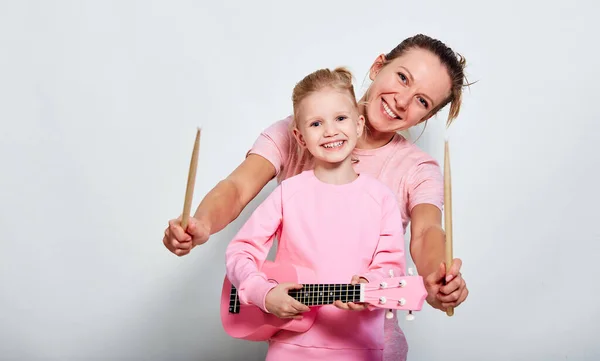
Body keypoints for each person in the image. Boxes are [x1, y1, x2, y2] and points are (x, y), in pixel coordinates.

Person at [163, 33, 470, 360]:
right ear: (379, 65)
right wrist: (201, 223)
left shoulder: (417, 168)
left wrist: (437, 276)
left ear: (427, 116)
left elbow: (426, 232)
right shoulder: (300, 129)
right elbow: (238, 187)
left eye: (422, 101)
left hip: (368, 345)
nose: (402, 101)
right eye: (403, 78)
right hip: (293, 342)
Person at [225, 66, 406, 360]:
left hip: (359, 347)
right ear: (299, 136)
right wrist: (263, 293)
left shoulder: (382, 199)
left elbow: (391, 266)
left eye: (340, 118)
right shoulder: (288, 193)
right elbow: (241, 251)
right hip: (290, 347)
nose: (331, 131)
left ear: (359, 125)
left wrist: (369, 286)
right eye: (316, 123)